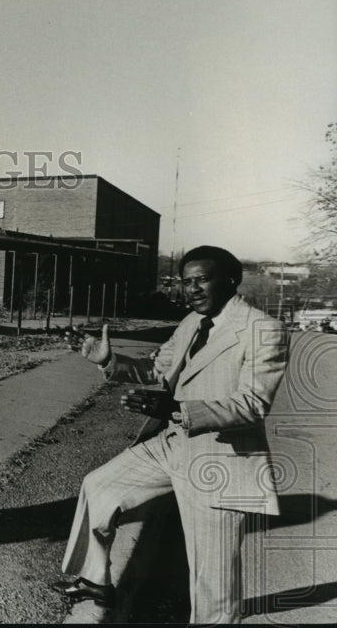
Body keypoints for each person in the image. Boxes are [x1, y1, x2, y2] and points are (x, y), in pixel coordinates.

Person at [54, 245, 288, 623]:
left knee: (213, 582)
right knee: (99, 487)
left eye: (202, 279)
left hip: (221, 460)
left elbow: (253, 404)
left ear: (230, 280)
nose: (191, 289)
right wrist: (109, 361)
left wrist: (178, 410)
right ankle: (96, 581)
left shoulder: (263, 329)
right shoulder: (192, 323)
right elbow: (157, 370)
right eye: (186, 281)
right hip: (173, 445)